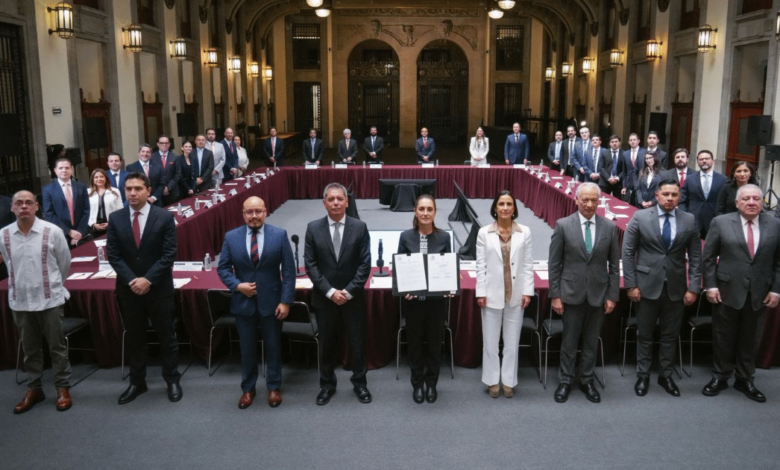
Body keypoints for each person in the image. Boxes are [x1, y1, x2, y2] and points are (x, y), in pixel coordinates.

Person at [107, 172, 182, 405]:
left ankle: (172, 379)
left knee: (166, 336)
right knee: (135, 338)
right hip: (129, 290)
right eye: (128, 189)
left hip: (158, 288)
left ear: (148, 191)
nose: (132, 193)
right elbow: (114, 256)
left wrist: (148, 280)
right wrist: (133, 280)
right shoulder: (116, 218)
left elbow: (169, 254)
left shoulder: (164, 217)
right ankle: (137, 382)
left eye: (138, 188)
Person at [623, 179, 701, 397]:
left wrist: (694, 287)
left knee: (670, 335)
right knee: (645, 334)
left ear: (679, 197)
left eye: (674, 195)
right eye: (665, 194)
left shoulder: (689, 219)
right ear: (656, 195)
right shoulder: (640, 217)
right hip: (645, 286)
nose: (670, 198)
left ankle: (666, 375)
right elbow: (627, 253)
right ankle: (643, 375)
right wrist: (631, 284)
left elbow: (696, 256)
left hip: (676, 287)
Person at [702, 184, 780, 403]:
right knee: (723, 337)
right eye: (746, 199)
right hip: (726, 291)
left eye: (756, 199)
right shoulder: (721, 222)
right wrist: (711, 286)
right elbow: (708, 258)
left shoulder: (775, 225)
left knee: (751, 339)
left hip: (760, 293)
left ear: (762, 202)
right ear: (737, 203)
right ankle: (720, 376)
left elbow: (778, 262)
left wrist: (776, 290)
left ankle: (745, 379)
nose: (751, 202)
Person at [218, 196, 295, 409]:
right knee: (247, 349)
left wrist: (286, 301)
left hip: (272, 302)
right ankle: (248, 389)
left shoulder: (279, 235)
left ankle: (274, 387)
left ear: (265, 211)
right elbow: (223, 268)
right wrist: (237, 285)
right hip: (243, 303)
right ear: (243, 214)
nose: (254, 216)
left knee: (273, 347)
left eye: (258, 211)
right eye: (249, 212)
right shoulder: (231, 237)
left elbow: (289, 271)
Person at [0, 190, 73, 414]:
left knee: (56, 347)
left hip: (49, 299)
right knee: (30, 349)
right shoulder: (4, 234)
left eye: (28, 203)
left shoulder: (52, 231)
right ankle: (34, 388)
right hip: (20, 301)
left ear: (36, 206)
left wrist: (52, 285)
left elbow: (64, 263)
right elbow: (9, 265)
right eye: (19, 203)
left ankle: (62, 387)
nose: (23, 206)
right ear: (12, 207)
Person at [549, 183, 619, 404]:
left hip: (599, 294)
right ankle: (565, 380)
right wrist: (555, 295)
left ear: (599, 202)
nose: (589, 204)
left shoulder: (609, 227)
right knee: (569, 342)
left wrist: (612, 295)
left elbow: (614, 266)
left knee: (590, 342)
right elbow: (554, 264)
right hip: (571, 293)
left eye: (594, 200)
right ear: (576, 200)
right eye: (585, 200)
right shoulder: (563, 225)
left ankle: (587, 379)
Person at [304, 183, 372, 405]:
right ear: (324, 203)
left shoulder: (359, 227)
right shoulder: (313, 228)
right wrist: (331, 292)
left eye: (339, 199)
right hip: (325, 299)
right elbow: (310, 265)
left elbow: (365, 264)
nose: (335, 203)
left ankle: (360, 383)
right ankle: (327, 385)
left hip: (353, 299)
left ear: (347, 202)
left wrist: (348, 292)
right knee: (326, 345)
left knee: (357, 343)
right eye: (331, 199)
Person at [476, 190, 534, 398]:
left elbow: (527, 264)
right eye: (501, 204)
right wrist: (480, 292)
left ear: (514, 208)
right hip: (491, 294)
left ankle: (508, 381)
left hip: (515, 294)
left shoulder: (524, 232)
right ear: (495, 207)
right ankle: (492, 380)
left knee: (511, 343)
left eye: (509, 204)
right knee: (490, 343)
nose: (505, 208)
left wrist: (528, 291)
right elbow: (480, 266)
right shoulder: (484, 233)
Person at [397, 195, 452, 403]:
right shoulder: (405, 237)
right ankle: (417, 383)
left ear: (435, 212)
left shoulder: (444, 237)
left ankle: (432, 383)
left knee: (435, 346)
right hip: (413, 303)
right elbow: (400, 268)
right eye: (422, 209)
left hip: (436, 303)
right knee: (414, 345)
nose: (426, 213)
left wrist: (449, 286)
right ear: (415, 211)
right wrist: (404, 289)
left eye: (430, 209)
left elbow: (448, 267)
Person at [42, 157, 90, 247]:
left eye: (67, 168)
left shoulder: (81, 187)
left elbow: (86, 210)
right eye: (60, 168)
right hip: (60, 235)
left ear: (72, 169)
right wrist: (68, 231)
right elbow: (49, 214)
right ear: (55, 170)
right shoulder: (48, 190)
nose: (64, 170)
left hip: (80, 234)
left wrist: (80, 232)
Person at [679, 150, 727, 239]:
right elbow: (682, 200)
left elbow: (725, 201)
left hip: (714, 221)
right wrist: (685, 215)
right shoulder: (690, 179)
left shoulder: (723, 179)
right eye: (701, 159)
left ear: (713, 161)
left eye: (707, 158)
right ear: (697, 162)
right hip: (694, 221)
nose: (704, 161)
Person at [86, 168, 122, 237]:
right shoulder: (87, 192)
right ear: (92, 179)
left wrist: (110, 223)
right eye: (96, 177)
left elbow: (120, 209)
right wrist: (93, 224)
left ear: (106, 178)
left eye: (101, 176)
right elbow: (85, 212)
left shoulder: (115, 191)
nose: (99, 179)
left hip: (111, 225)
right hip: (93, 227)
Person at [152, 135, 181, 206]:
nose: (164, 145)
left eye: (166, 143)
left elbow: (178, 174)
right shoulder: (152, 157)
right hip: (157, 193)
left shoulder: (175, 157)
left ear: (169, 144)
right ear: (158, 144)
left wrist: (168, 187)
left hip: (172, 192)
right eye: (162, 143)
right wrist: (161, 188)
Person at [618, 133, 645, 203]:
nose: (632, 141)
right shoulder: (625, 154)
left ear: (638, 141)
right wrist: (624, 186)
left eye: (634, 140)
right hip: (629, 184)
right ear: (628, 142)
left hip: (641, 183)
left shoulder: (644, 152)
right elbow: (624, 171)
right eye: (631, 140)